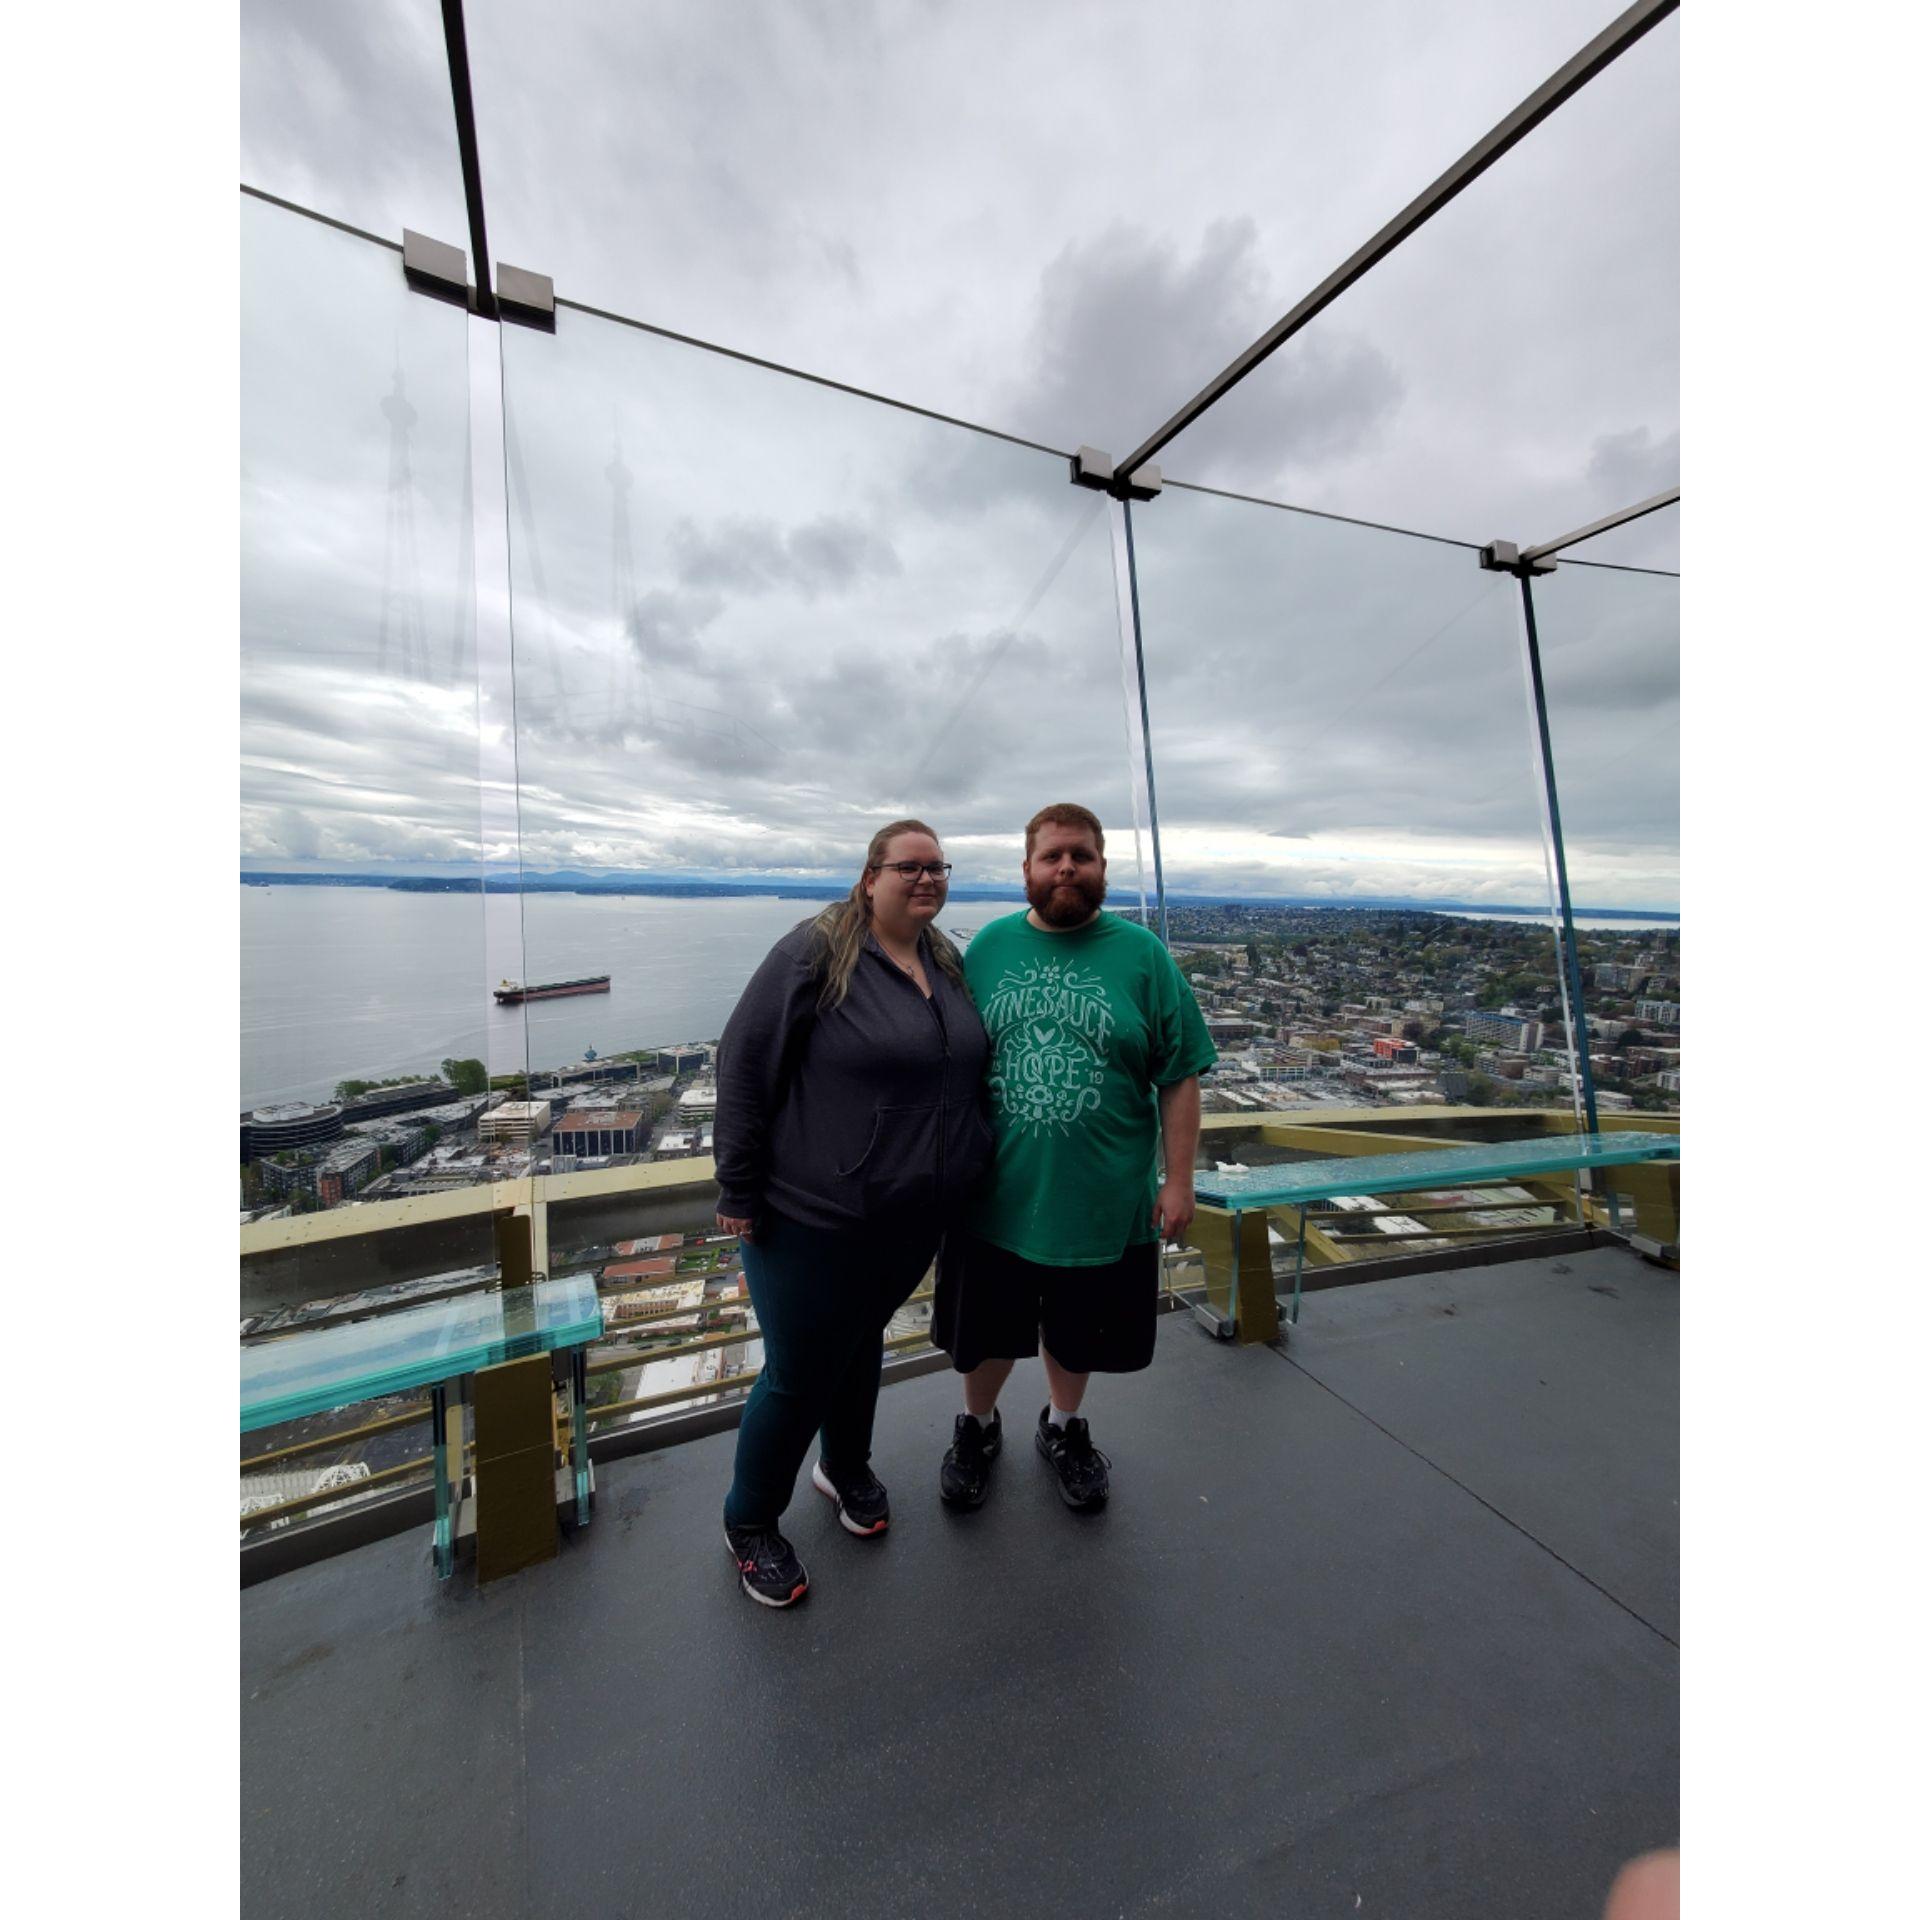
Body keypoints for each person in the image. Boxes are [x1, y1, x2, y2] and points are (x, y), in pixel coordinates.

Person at [713, 819, 992, 1606]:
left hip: (911, 1215)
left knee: (861, 1342)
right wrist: (736, 1188)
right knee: (799, 1375)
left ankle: (843, 1466)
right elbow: (742, 1063)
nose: (927, 878)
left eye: (939, 866)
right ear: (870, 876)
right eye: (910, 866)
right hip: (813, 1214)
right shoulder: (817, 949)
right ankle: (749, 1523)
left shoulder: (942, 958)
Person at [934, 802, 1216, 1512]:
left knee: (1076, 1331)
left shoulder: (1144, 956)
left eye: (1081, 856)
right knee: (987, 1333)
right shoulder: (988, 949)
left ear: (1101, 869)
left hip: (1101, 1196)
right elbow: (945, 1063)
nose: (1067, 867)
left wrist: (1179, 1180)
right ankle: (977, 1426)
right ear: (1026, 869)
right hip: (993, 1194)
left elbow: (1180, 1073)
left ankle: (1062, 1427)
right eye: (1052, 855)